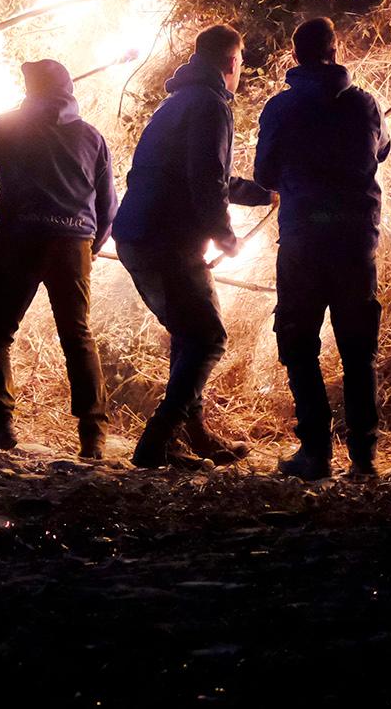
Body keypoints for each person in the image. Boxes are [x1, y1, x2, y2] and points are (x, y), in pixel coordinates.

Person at [112, 24, 275, 469]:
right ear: (231, 62)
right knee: (206, 338)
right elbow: (205, 177)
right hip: (166, 237)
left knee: (190, 332)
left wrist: (264, 191)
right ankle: (159, 439)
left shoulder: (181, 101)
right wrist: (224, 232)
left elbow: (205, 175)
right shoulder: (210, 104)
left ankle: (194, 433)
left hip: (140, 232)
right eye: (241, 62)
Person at [0, 59, 116, 459]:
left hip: (19, 240)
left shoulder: (5, 126)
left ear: (30, 89)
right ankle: (92, 437)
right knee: (77, 336)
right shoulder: (91, 136)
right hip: (72, 243)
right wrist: (88, 246)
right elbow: (108, 206)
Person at [255, 18, 391, 481]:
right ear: (335, 51)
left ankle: (315, 451)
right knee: (358, 349)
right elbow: (381, 151)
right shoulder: (365, 104)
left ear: (296, 56)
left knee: (297, 342)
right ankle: (365, 455)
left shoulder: (280, 109)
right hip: (356, 242)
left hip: (303, 242)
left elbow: (265, 175)